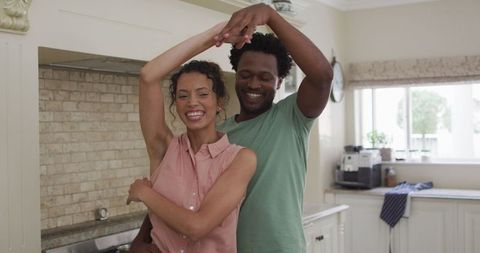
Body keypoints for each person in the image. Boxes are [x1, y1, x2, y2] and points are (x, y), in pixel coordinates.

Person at [130, 3, 333, 253]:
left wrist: (270, 16)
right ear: (235, 75)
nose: (254, 84)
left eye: (265, 77)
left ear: (280, 81)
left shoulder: (291, 118)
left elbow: (322, 76)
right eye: (246, 74)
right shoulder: (217, 138)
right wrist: (144, 236)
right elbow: (180, 191)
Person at [126, 21, 256, 253]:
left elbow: (197, 227)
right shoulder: (164, 149)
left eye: (203, 94)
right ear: (176, 105)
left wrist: (144, 193)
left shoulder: (240, 159)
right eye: (183, 96)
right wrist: (214, 35)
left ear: (220, 102)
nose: (192, 103)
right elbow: (148, 76)